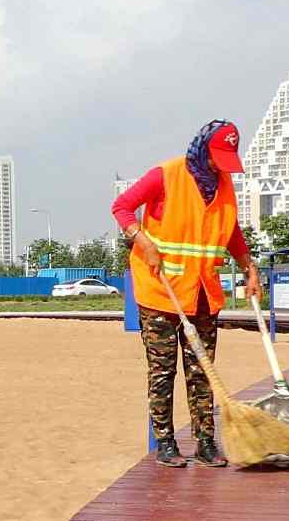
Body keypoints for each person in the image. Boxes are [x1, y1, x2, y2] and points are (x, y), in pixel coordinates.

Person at [113, 120, 264, 469]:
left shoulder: (223, 184)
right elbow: (121, 206)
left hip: (202, 293)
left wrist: (249, 268)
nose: (218, 166)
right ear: (201, 148)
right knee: (163, 371)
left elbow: (231, 230)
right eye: (215, 158)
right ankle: (165, 442)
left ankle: (205, 442)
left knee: (202, 371)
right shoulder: (166, 175)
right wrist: (142, 241)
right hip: (160, 291)